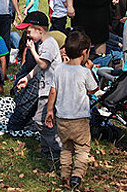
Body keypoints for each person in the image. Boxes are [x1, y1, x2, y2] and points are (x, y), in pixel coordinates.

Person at [45, 30, 98, 190]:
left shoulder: (59, 69)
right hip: (80, 119)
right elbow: (93, 90)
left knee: (66, 148)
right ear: (84, 52)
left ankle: (64, 175)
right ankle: (77, 175)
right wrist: (90, 69)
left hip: (62, 118)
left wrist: (49, 111)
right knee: (82, 148)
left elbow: (52, 91)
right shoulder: (83, 72)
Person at [16, 11, 63, 161]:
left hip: (51, 89)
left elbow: (43, 63)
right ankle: (47, 150)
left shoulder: (49, 44)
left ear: (40, 30)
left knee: (42, 121)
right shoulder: (43, 43)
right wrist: (28, 78)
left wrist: (32, 50)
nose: (28, 36)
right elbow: (39, 65)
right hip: (45, 88)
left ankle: (57, 150)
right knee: (42, 121)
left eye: (29, 32)